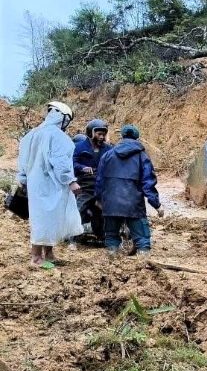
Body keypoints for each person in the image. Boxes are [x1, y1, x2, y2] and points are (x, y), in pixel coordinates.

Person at [16, 102, 83, 268]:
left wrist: (23, 180)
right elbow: (61, 163)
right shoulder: (59, 137)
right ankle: (36, 257)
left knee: (43, 219)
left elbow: (23, 161)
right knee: (46, 220)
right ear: (63, 118)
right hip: (52, 185)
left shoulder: (31, 134)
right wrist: (71, 181)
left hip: (35, 184)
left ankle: (49, 253)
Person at [95, 124, 164, 260]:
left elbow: (100, 180)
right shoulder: (142, 156)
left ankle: (112, 258)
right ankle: (143, 260)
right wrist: (156, 204)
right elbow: (148, 182)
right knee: (142, 238)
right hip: (133, 204)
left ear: (122, 137)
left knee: (111, 237)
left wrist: (99, 199)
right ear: (137, 138)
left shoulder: (108, 155)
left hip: (111, 203)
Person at [73, 119, 113, 239]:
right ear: (91, 133)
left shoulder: (108, 149)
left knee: (102, 211)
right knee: (79, 209)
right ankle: (72, 237)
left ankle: (101, 235)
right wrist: (82, 167)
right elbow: (72, 163)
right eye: (98, 134)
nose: (101, 137)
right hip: (85, 185)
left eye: (103, 134)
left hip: (102, 185)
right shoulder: (78, 147)